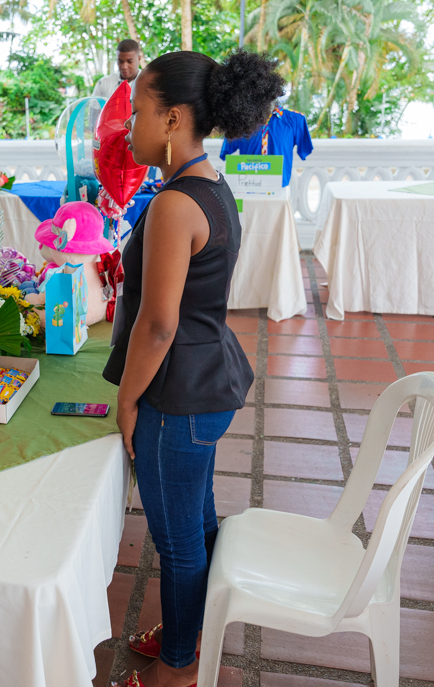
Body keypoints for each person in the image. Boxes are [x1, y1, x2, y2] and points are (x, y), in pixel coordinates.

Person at [103, 49, 281, 687]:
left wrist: (127, 401)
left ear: (174, 118)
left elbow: (158, 325)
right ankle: (189, 634)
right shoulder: (210, 186)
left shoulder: (176, 204)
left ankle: (177, 671)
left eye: (139, 111)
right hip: (205, 385)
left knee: (177, 541)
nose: (129, 125)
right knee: (196, 520)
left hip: (176, 394)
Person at [219, 103, 313, 187]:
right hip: (247, 188)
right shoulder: (239, 120)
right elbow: (226, 152)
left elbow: (304, 150)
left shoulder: (296, 119)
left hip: (279, 191)